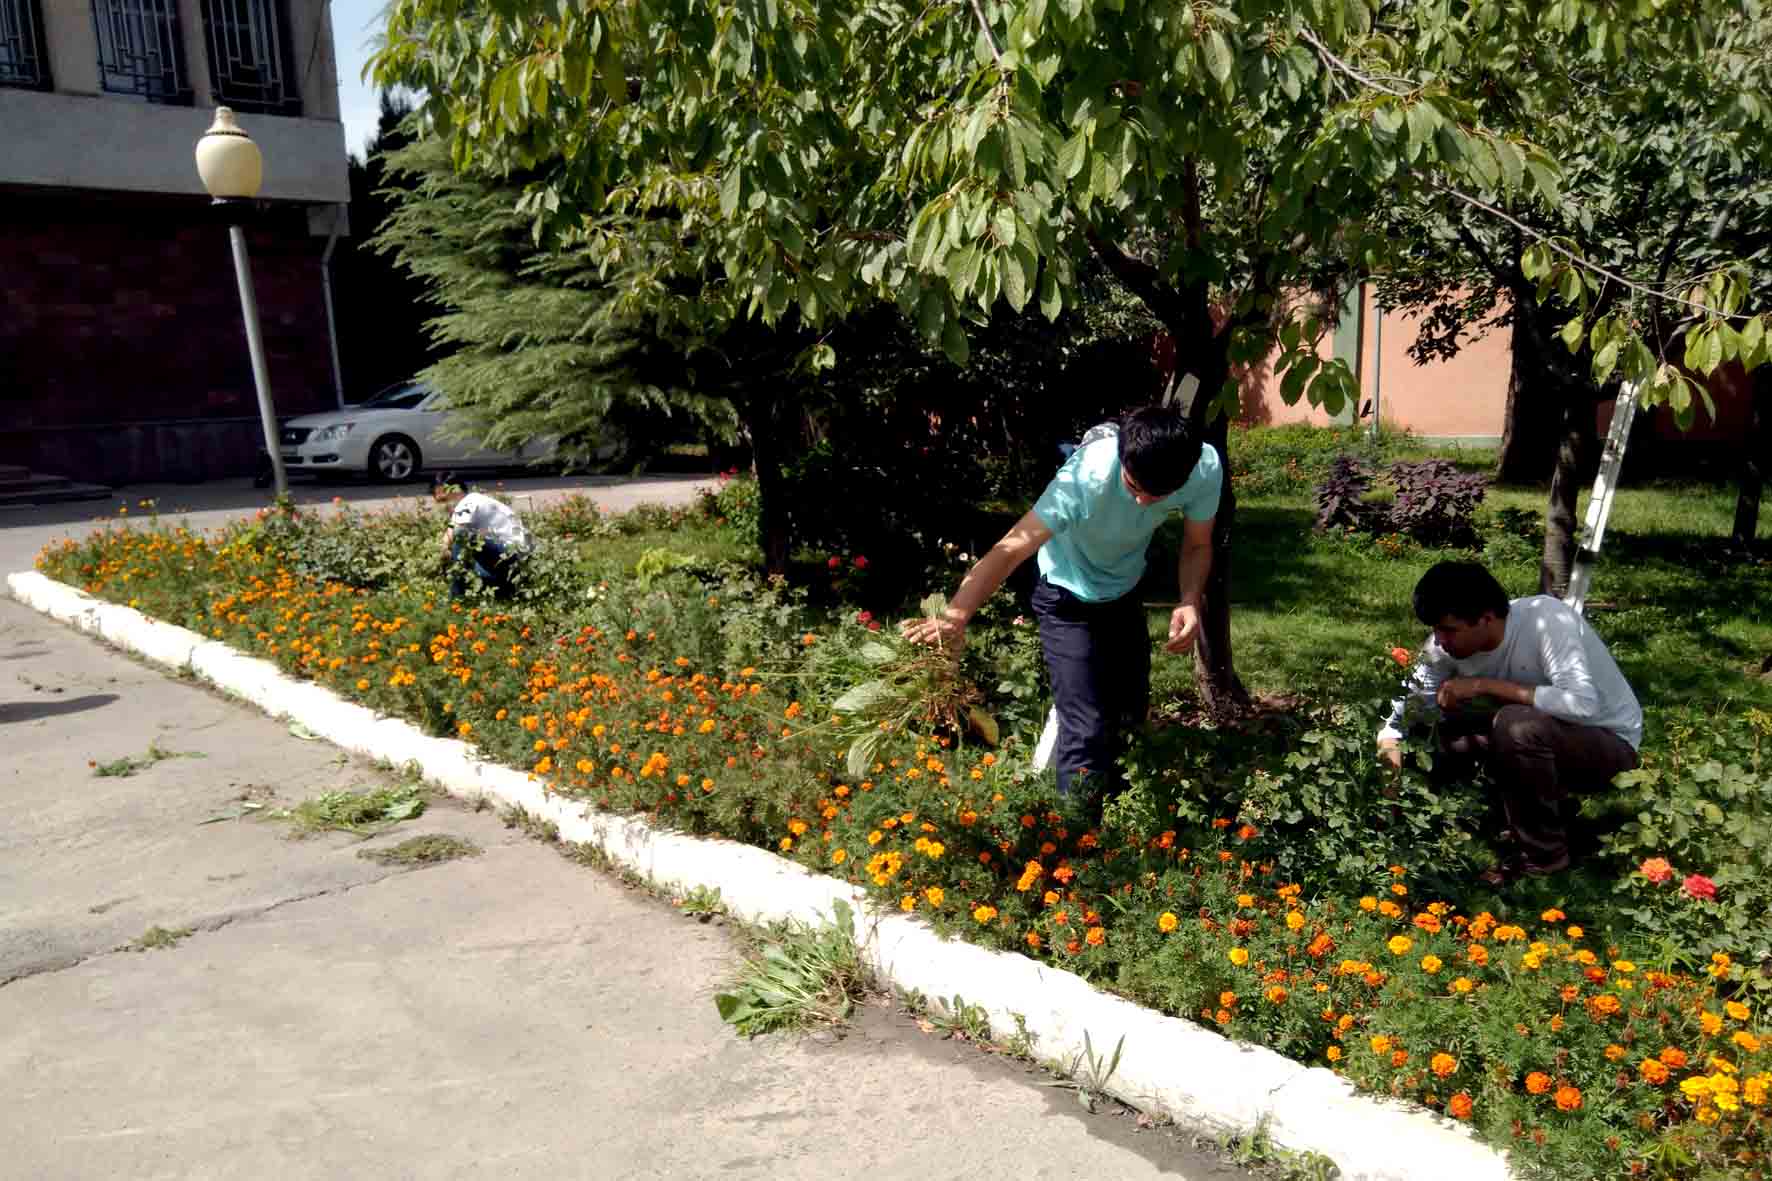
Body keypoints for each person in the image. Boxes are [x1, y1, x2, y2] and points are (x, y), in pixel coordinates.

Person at [902, 405, 1222, 810]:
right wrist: (956, 616)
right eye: (1133, 486)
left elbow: (1197, 545)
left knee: (1129, 716)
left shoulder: (1203, 467)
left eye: (1157, 496)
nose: (1142, 502)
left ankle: (1122, 822)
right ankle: (1075, 836)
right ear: (1122, 457)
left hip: (1124, 591)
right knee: (1085, 729)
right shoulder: (1084, 478)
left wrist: (1190, 600)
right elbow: (1010, 549)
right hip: (1065, 597)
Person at [1378, 560, 1642, 884]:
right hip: (1543, 737)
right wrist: (1388, 793)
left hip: (1609, 745)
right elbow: (1399, 720)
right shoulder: (1442, 647)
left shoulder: (1546, 621)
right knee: (1433, 729)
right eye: (1435, 629)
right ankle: (1495, 816)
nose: (1439, 640)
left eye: (1448, 630)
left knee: (1517, 726)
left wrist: (1483, 685)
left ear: (1486, 618)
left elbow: (1583, 705)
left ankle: (1543, 859)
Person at [434, 476, 532, 599]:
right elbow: (451, 530)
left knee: (463, 536)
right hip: (516, 556)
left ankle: (456, 596)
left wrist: (443, 553)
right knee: (479, 569)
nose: (443, 506)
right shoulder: (473, 501)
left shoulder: (468, 502)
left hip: (513, 553)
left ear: (456, 490)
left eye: (444, 500)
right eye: (439, 502)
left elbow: (454, 533)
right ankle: (505, 589)